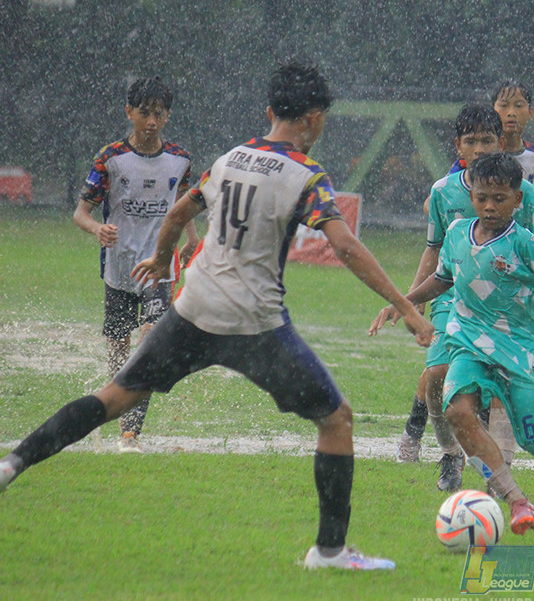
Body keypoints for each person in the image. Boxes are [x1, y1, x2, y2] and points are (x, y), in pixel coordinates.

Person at [0, 62, 434, 571]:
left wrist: (162, 259)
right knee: (336, 420)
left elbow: (178, 213)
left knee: (114, 396)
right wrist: (407, 307)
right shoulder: (307, 175)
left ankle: (13, 463)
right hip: (256, 326)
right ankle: (330, 551)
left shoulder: (229, 160)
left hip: (194, 311)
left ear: (270, 112)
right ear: (315, 118)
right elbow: (346, 247)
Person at [372, 153, 534, 534]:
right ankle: (517, 501)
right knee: (457, 411)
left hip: (522, 351)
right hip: (469, 344)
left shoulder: (526, 245)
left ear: (517, 200)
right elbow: (444, 279)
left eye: (499, 199)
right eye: (482, 197)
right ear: (471, 196)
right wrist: (403, 303)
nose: (489, 206)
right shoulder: (456, 235)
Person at [383, 104, 534, 493]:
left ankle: (499, 474)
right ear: (458, 145)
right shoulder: (443, 191)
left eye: (487, 140)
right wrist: (412, 300)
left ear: (500, 143)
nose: (479, 148)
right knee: (437, 375)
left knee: (501, 387)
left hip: (509, 305)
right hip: (452, 296)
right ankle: (449, 454)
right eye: (471, 141)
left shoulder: (524, 193)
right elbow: (433, 248)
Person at [72, 76, 200, 453]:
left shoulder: (180, 159)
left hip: (160, 265)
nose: (151, 122)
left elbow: (182, 203)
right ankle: (119, 410)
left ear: (168, 115)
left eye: (159, 114)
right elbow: (81, 212)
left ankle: (130, 433)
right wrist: (97, 228)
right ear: (129, 112)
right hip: (119, 267)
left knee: (150, 344)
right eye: (144, 113)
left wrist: (192, 238)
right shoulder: (110, 159)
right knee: (119, 352)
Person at [491, 78, 534, 185]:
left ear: (530, 112)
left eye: (519, 105)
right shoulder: (482, 152)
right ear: (492, 110)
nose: (511, 113)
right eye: (504, 105)